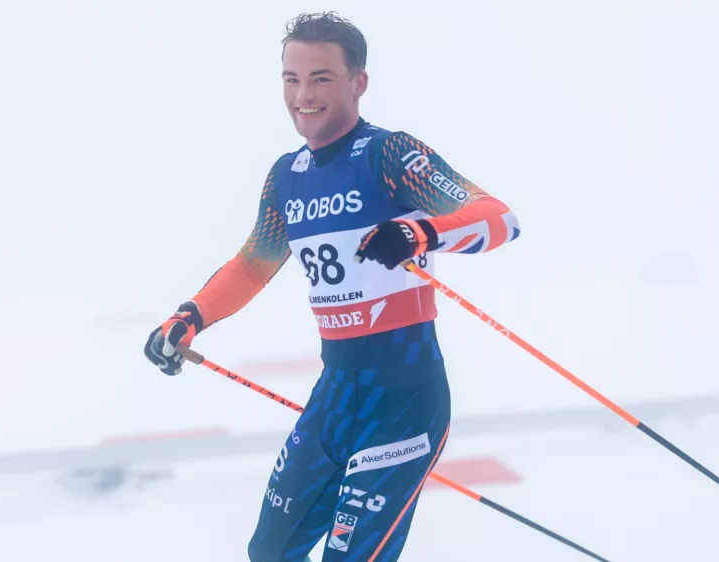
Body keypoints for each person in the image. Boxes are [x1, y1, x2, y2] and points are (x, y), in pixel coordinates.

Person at [144, 11, 520, 561]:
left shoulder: (388, 156)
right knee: (268, 554)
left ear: (358, 82)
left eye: (321, 77)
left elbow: (499, 218)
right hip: (334, 402)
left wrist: (419, 232)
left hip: (404, 402)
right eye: (291, 79)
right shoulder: (287, 177)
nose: (303, 95)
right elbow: (253, 264)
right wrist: (189, 316)